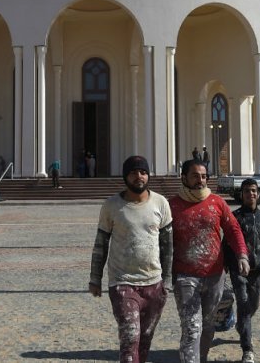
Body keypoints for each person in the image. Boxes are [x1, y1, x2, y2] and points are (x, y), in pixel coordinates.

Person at [90, 155, 173, 363]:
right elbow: (101, 243)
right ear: (125, 176)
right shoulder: (111, 206)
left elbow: (167, 246)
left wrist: (167, 281)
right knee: (130, 339)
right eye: (134, 172)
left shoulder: (161, 203)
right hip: (123, 282)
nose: (139, 176)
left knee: (144, 340)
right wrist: (95, 278)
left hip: (154, 283)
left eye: (143, 172)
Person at [170, 158, 249, 363]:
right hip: (185, 276)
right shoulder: (172, 205)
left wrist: (241, 254)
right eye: (195, 176)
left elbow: (232, 229)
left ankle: (201, 357)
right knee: (191, 327)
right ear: (184, 177)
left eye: (204, 176)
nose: (200, 180)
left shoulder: (217, 202)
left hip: (215, 276)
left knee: (207, 326)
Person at [223, 178, 260, 363]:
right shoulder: (235, 217)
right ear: (242, 194)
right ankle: (247, 350)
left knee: (252, 306)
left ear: (258, 193)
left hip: (257, 271)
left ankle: (241, 325)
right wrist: (224, 265)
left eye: (254, 190)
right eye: (247, 191)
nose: (251, 194)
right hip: (238, 270)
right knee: (245, 306)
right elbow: (227, 243)